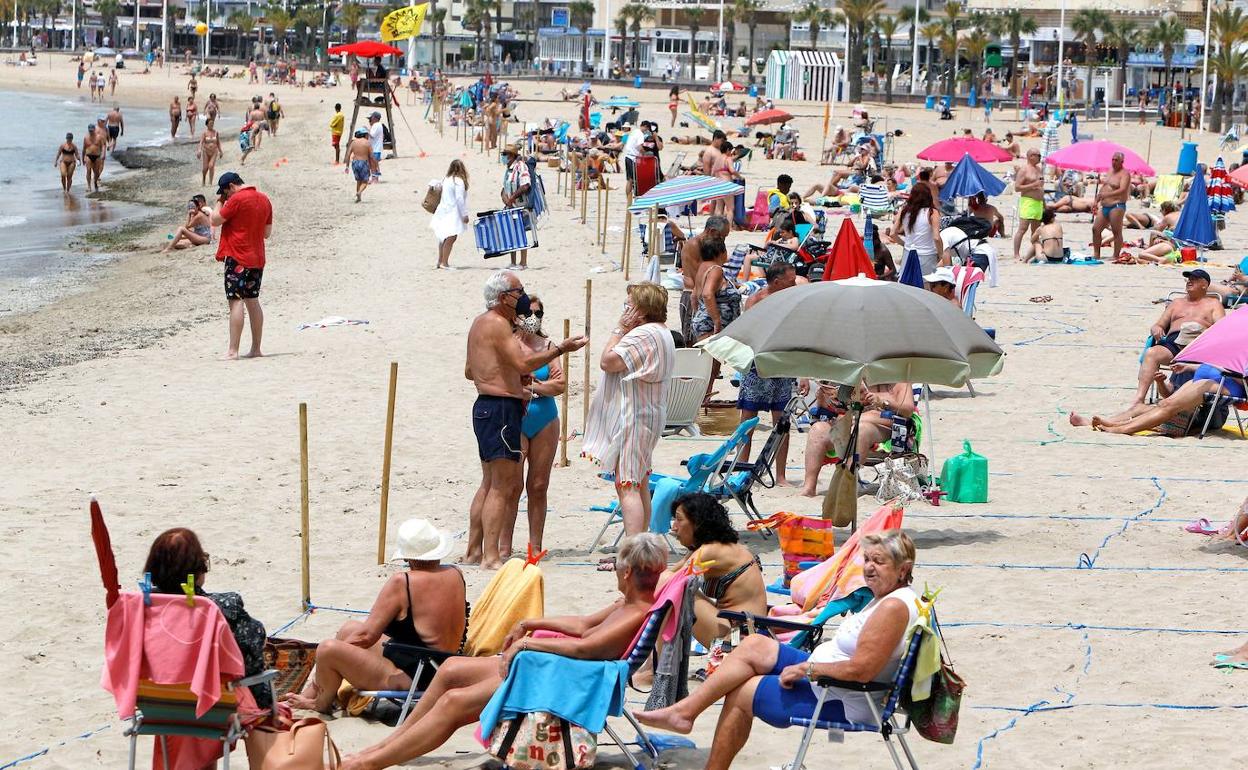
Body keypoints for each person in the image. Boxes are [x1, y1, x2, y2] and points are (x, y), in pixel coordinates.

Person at [336, 533, 669, 770]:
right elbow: (582, 625)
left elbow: (585, 648)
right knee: (450, 670)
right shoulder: (628, 604)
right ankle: (386, 747)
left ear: (626, 572)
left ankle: (369, 762)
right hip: (556, 663)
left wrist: (527, 642)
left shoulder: (635, 613)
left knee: (454, 703)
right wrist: (528, 622)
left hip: (567, 676)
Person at [635, 530, 921, 770]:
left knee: (743, 690)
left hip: (845, 698)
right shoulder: (890, 597)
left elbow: (862, 670)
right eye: (867, 560)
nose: (869, 567)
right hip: (832, 682)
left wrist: (808, 669)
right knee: (756, 644)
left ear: (903, 569)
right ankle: (686, 712)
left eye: (879, 562)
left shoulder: (893, 607)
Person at [464, 271, 588, 568]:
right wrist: (560, 349)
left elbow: (470, 370)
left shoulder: (480, 323)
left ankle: (473, 551)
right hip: (502, 408)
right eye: (519, 291)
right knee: (502, 486)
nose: (522, 296)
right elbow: (521, 361)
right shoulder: (497, 324)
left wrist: (504, 374)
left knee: (490, 482)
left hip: (486, 405)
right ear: (504, 296)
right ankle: (491, 556)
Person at [283, 518, 466, 713]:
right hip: (442, 665)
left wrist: (327, 662)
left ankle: (320, 703)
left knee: (327, 649)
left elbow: (367, 636)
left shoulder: (403, 582)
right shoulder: (455, 573)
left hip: (415, 676)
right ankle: (309, 694)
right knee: (349, 628)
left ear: (407, 558)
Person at [582, 282, 677, 537]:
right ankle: (641, 544)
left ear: (641, 309)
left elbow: (607, 361)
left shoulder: (643, 334)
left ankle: (634, 549)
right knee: (640, 480)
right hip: (650, 413)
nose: (626, 310)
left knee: (626, 484)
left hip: (636, 417)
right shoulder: (662, 332)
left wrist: (619, 329)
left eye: (629, 306)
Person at [143, 528, 272, 710]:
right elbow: (251, 660)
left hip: (158, 707)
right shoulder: (221, 607)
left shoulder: (141, 607)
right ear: (196, 570)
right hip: (213, 706)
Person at [662, 493, 767, 646]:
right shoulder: (715, 546)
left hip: (741, 636)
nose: (674, 526)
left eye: (679, 519)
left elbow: (669, 580)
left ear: (697, 523)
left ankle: (651, 665)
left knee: (677, 591)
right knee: (673, 587)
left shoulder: (709, 551)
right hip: (742, 626)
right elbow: (670, 573)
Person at [735, 262, 798, 485]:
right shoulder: (756, 302)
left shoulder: (792, 301)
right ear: (777, 282)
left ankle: (780, 475)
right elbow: (748, 335)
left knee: (782, 421)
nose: (795, 283)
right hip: (758, 366)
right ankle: (741, 468)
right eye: (791, 280)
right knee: (747, 421)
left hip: (783, 364)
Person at [799, 381, 915, 497]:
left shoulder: (900, 382)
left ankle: (845, 484)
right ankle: (809, 487)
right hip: (849, 423)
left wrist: (883, 403)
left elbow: (908, 410)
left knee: (862, 429)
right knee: (817, 429)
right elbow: (835, 409)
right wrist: (826, 397)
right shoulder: (860, 375)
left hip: (884, 428)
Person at [1069, 361, 1246, 434]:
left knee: (1168, 406)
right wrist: (1190, 367)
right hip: (1207, 378)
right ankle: (1116, 424)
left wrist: (1230, 371)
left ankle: (1120, 429)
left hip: (1223, 387)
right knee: (1166, 403)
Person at [1131, 269, 1224, 405]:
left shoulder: (1214, 304)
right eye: (1188, 279)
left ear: (1204, 284)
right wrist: (1157, 329)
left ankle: (1176, 396)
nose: (1189, 281)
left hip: (1198, 343)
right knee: (1151, 353)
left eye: (1194, 279)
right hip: (1173, 342)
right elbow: (1158, 325)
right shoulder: (1176, 303)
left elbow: (1221, 328)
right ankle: (1139, 399)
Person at [515, 295, 564, 551]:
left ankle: (535, 545)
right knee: (512, 486)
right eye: (529, 313)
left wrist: (533, 387)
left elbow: (560, 384)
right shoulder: (508, 344)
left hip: (544, 419)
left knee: (538, 484)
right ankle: (503, 546)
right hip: (516, 417)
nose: (533, 319)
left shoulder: (548, 346)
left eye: (539, 314)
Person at [211, 172, 273, 360]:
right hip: (257, 256)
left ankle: (233, 351)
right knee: (252, 300)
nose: (225, 196)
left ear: (231, 186)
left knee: (236, 301)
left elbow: (214, 220)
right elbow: (266, 233)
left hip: (237, 256)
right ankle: (256, 348)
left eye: (225, 192)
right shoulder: (264, 199)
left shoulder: (235, 200)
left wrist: (219, 202)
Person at [679, 217, 731, 343]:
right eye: (722, 236)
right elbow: (701, 278)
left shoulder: (711, 246)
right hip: (694, 295)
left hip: (703, 296)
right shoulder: (694, 245)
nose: (723, 240)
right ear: (712, 231)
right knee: (693, 343)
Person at [889, 183, 943, 278]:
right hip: (927, 255)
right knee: (925, 287)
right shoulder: (932, 212)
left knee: (907, 286)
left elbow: (893, 233)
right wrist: (941, 255)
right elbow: (936, 237)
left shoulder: (904, 210)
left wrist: (904, 244)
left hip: (908, 253)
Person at [431, 159, 470, 268]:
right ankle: (445, 262)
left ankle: (440, 260)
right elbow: (459, 199)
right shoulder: (458, 181)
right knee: (451, 236)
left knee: (443, 236)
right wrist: (464, 214)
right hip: (453, 211)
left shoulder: (446, 179)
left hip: (442, 210)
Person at [1092, 151, 1130, 261]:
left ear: (1122, 162)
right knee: (1096, 229)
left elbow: (1122, 190)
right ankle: (1096, 254)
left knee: (1116, 231)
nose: (1113, 162)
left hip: (1117, 205)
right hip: (1105, 205)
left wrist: (1107, 194)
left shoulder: (1125, 174)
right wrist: (1096, 200)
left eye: (1116, 160)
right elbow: (1104, 187)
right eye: (1112, 159)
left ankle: (1115, 255)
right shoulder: (1109, 171)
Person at [500, 145, 532, 269]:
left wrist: (512, 198)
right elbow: (505, 187)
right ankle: (513, 262)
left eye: (505, 154)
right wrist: (505, 199)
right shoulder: (508, 170)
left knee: (521, 232)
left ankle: (523, 262)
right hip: (510, 206)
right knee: (511, 233)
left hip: (520, 206)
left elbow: (525, 185)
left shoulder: (521, 167)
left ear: (511, 155)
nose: (503, 157)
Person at [1013, 148, 1044, 260]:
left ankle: (1034, 253)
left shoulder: (1039, 169)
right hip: (1028, 201)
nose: (1040, 157)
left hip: (1038, 203)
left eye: (1040, 155)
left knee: (1036, 230)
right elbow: (1017, 188)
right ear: (1031, 156)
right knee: (1022, 229)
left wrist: (1044, 203)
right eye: (1038, 155)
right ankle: (1016, 254)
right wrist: (1033, 185)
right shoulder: (1024, 170)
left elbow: (1041, 186)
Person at [346, 128, 372, 203]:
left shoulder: (353, 142)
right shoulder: (367, 142)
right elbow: (371, 156)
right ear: (364, 135)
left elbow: (348, 155)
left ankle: (358, 198)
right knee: (365, 182)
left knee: (358, 181)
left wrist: (347, 166)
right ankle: (359, 192)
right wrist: (374, 166)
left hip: (354, 162)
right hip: (363, 162)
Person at [197, 117, 223, 187]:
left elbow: (218, 142)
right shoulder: (204, 133)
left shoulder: (216, 132)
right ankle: (204, 179)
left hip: (214, 151)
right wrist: (199, 150)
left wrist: (221, 151)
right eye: (210, 123)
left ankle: (210, 182)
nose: (212, 124)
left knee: (211, 166)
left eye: (212, 123)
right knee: (205, 168)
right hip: (205, 151)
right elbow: (201, 142)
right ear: (207, 124)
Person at [81, 125, 105, 192]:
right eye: (90, 130)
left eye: (92, 130)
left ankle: (95, 182)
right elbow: (84, 149)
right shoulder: (86, 137)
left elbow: (102, 146)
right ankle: (89, 186)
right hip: (88, 155)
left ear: (94, 129)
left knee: (96, 172)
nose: (91, 132)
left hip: (97, 156)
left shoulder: (99, 137)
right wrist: (82, 158)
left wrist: (103, 154)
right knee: (88, 171)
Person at [367, 111, 385, 181]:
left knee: (373, 165)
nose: (370, 120)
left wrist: (366, 130)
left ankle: (374, 179)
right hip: (377, 148)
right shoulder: (379, 125)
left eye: (371, 118)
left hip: (375, 148)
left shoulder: (376, 125)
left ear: (374, 118)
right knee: (375, 164)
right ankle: (375, 178)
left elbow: (372, 135)